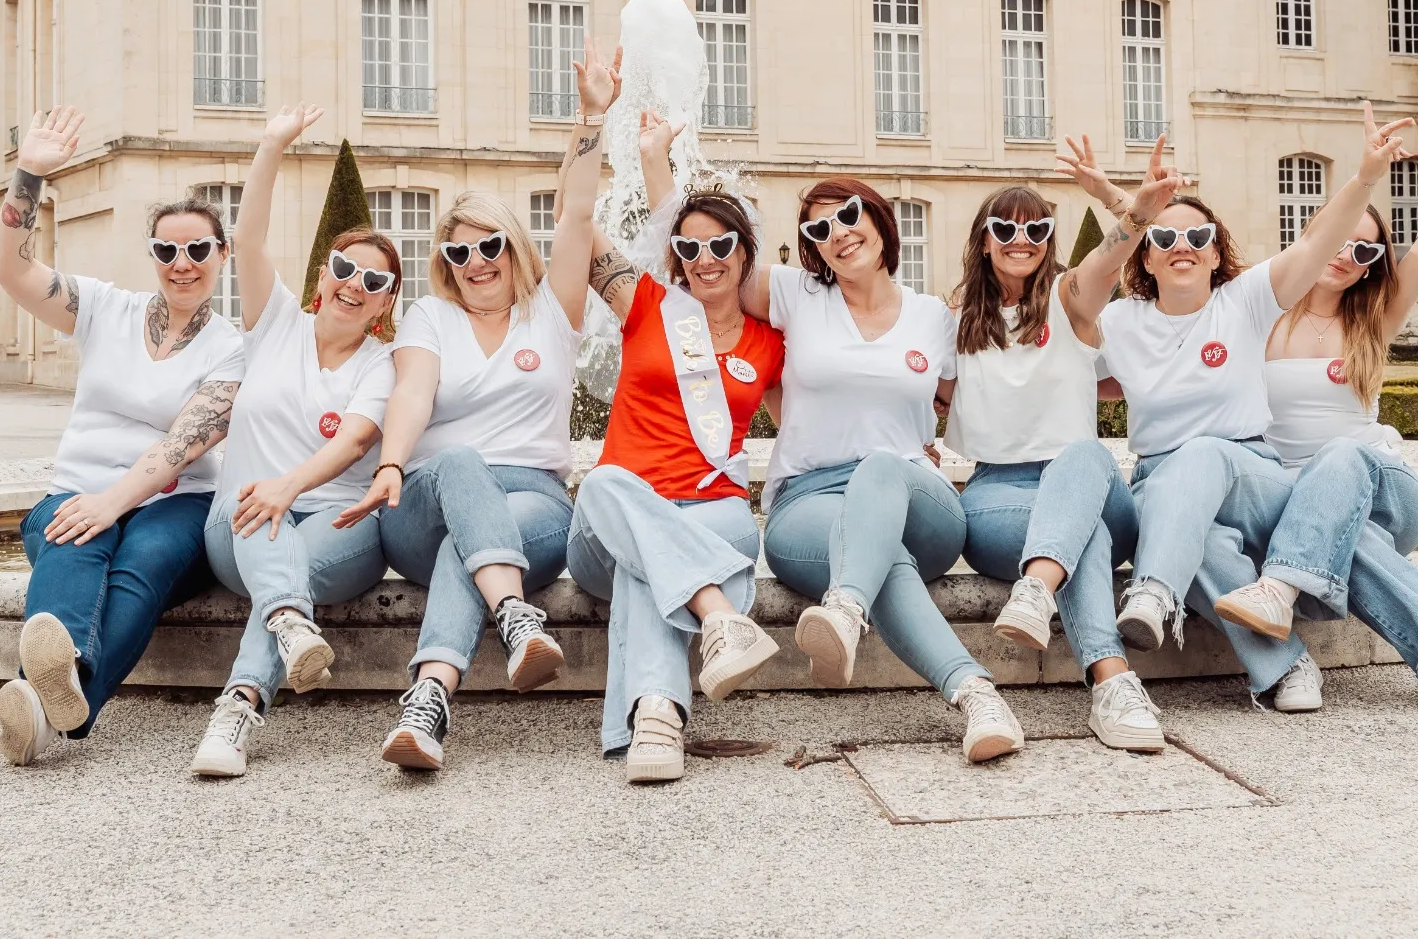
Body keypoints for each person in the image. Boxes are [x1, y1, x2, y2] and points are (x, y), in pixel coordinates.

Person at [335, 38, 615, 772]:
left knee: (479, 543)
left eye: (488, 244)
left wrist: (591, 117)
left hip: (534, 502)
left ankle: (428, 701)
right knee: (460, 468)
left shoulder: (553, 309)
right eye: (457, 254)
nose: (476, 262)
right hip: (425, 497)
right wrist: (392, 463)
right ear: (444, 265)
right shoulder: (430, 317)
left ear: (513, 245)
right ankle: (517, 616)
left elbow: (579, 214)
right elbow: (415, 390)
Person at [1202, 109, 1418, 718]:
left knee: (1343, 455)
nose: (1347, 254)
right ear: (1313, 230)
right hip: (1292, 502)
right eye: (1338, 236)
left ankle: (1278, 587)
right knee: (1333, 543)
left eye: (1365, 249)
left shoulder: (1375, 316)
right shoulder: (1256, 312)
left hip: (1382, 487)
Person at [1098, 102, 1414, 714]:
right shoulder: (1120, 321)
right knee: (1195, 537)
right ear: (1146, 254)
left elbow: (1320, 240)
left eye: (1199, 236)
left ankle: (1156, 590)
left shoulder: (1244, 301)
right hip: (1162, 477)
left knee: (1202, 458)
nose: (1182, 244)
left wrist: (1367, 177)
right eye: (1164, 236)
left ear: (1218, 255)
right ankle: (1285, 665)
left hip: (1252, 473)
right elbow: (1065, 376)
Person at [0, 106, 245, 765]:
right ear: (152, 255)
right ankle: (61, 691)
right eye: (166, 250)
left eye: (197, 249)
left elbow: (182, 444)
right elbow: (11, 271)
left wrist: (112, 500)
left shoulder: (232, 349)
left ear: (223, 253)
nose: (181, 263)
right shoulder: (104, 307)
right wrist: (30, 174)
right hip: (80, 487)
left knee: (144, 560)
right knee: (73, 533)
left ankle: (39, 698)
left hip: (174, 500)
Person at [746, 179, 1024, 765]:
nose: (837, 234)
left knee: (880, 466)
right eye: (818, 230)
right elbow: (707, 254)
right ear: (812, 248)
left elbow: (995, 387)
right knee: (876, 556)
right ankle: (976, 695)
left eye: (847, 215)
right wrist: (653, 161)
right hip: (808, 502)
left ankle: (846, 610)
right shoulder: (797, 295)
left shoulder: (932, 318)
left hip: (916, 499)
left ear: (878, 217)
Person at [564, 110, 786, 783]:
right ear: (676, 257)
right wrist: (590, 123)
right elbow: (577, 223)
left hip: (713, 512)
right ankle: (719, 616)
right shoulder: (645, 304)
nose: (705, 260)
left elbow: (812, 422)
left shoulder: (770, 341)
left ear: (744, 249)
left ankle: (656, 719)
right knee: (605, 485)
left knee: (650, 566)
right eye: (689, 249)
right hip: (612, 522)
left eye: (720, 245)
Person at [944, 136, 1180, 752]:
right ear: (984, 239)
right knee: (1083, 535)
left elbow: (1106, 259)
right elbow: (921, 394)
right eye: (1005, 227)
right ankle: (1111, 683)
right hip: (999, 492)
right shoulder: (957, 321)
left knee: (1083, 455)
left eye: (1037, 229)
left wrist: (1136, 215)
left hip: (1087, 482)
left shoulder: (1069, 301)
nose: (1020, 240)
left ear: (1050, 239)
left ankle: (1036, 591)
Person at [188, 104, 404, 777]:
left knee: (288, 541)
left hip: (339, 521)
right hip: (241, 518)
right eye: (345, 266)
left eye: (374, 281)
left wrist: (291, 486)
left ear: (384, 303)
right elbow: (247, 241)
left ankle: (240, 706)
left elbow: (355, 443)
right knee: (261, 511)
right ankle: (275, 640)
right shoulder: (276, 321)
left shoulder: (382, 365)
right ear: (322, 271)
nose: (354, 284)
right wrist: (272, 144)